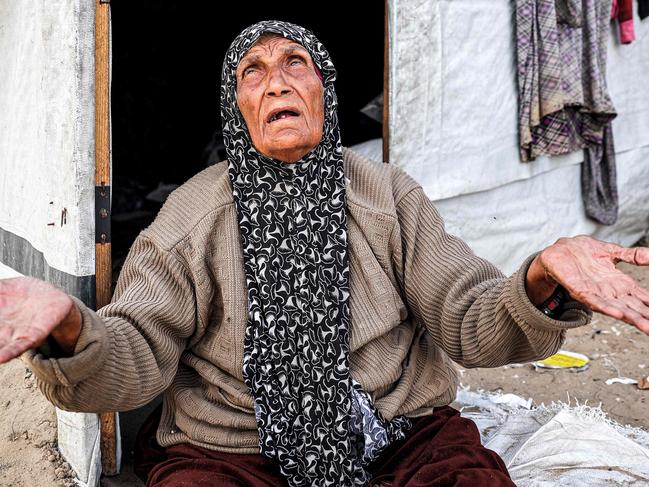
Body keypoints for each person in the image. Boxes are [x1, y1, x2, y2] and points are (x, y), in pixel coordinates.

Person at [1, 20, 649, 487]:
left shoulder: (387, 196)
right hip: (231, 446)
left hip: (395, 434)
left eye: (294, 64)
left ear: (324, 91)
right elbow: (136, 350)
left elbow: (468, 316)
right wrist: (68, 324)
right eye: (252, 71)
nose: (275, 81)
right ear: (237, 107)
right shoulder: (190, 216)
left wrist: (538, 276)